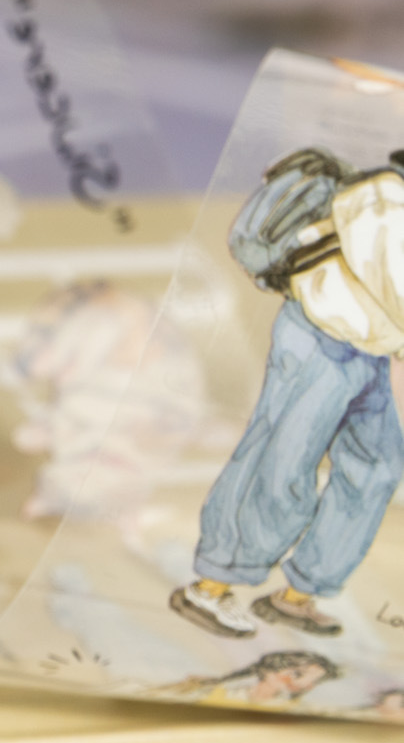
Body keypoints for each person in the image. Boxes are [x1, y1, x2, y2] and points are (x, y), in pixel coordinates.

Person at [172, 148, 404, 639]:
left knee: (377, 467)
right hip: (320, 339)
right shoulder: (386, 198)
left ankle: (299, 593)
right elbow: (396, 287)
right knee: (281, 461)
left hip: (367, 350)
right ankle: (211, 586)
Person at [162, 650, 341, 709]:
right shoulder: (212, 689)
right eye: (297, 674)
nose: (302, 684)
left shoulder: (294, 709)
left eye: (313, 682)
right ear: (270, 669)